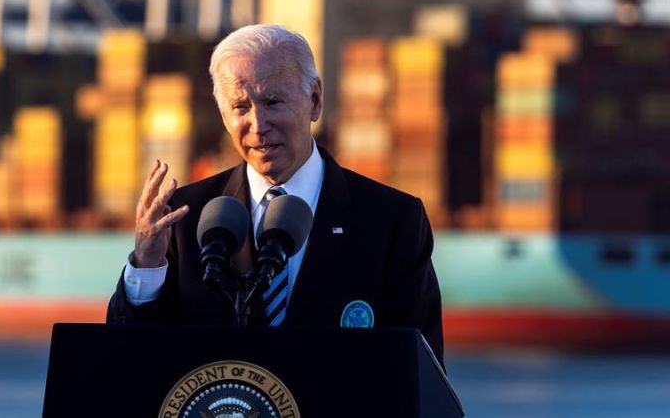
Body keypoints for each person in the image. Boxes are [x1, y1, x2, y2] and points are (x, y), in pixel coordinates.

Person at [107, 24, 444, 366]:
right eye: (240, 107)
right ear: (223, 115)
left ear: (314, 100)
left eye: (272, 101)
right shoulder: (182, 217)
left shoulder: (390, 220)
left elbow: (422, 376)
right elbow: (131, 363)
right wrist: (145, 266)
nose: (258, 124)